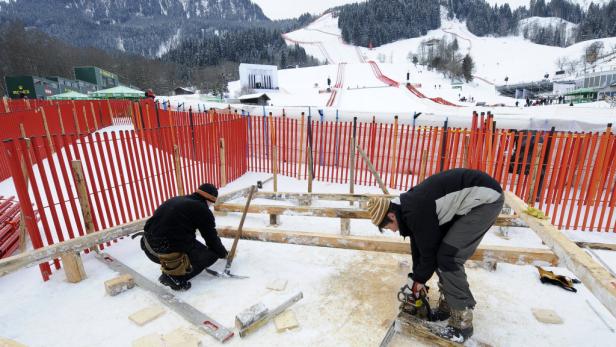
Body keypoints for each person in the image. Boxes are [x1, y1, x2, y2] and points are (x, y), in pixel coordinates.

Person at [367, 169, 504, 342]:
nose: (393, 231)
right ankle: (450, 305)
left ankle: (462, 323)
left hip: (486, 201)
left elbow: (429, 255)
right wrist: (416, 278)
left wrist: (418, 283)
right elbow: (420, 246)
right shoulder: (408, 209)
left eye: (389, 227)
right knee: (441, 253)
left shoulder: (415, 210)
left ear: (391, 215)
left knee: (448, 257)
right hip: (473, 200)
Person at [136, 183, 228, 291]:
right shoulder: (202, 210)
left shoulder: (178, 200)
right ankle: (175, 277)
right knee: (211, 255)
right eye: (211, 203)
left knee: (189, 243)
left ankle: (172, 266)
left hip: (147, 246)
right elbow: (211, 238)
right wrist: (222, 253)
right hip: (162, 250)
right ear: (210, 200)